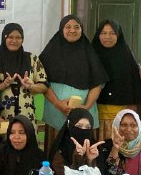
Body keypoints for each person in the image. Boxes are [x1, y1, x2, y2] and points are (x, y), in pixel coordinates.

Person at [39, 15, 108, 153]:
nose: (72, 30)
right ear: (61, 29)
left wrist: (85, 107)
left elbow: (98, 83)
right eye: (68, 27)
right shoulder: (50, 52)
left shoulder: (89, 52)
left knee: (83, 152)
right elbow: (42, 82)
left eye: (77, 27)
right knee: (56, 152)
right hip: (56, 112)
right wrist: (58, 104)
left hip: (85, 113)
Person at [91, 19, 141, 141]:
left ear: (118, 35)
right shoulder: (91, 54)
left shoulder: (126, 57)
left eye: (112, 33)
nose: (107, 37)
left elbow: (134, 82)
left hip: (121, 113)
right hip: (94, 110)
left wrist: (132, 107)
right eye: (103, 33)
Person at [0, 23, 48, 123]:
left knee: (27, 137)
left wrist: (31, 86)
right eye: (10, 37)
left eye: (18, 37)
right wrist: (3, 85)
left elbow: (44, 86)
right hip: (2, 117)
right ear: (4, 37)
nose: (14, 41)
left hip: (27, 115)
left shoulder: (32, 58)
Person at [97, 109, 141, 175]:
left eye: (133, 125)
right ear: (116, 126)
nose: (129, 129)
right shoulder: (106, 146)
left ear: (139, 127)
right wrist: (115, 149)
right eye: (124, 125)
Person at [47, 108, 103, 175]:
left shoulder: (94, 149)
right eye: (79, 126)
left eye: (88, 127)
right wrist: (78, 158)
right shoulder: (60, 149)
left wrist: (90, 160)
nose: (83, 130)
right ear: (69, 125)